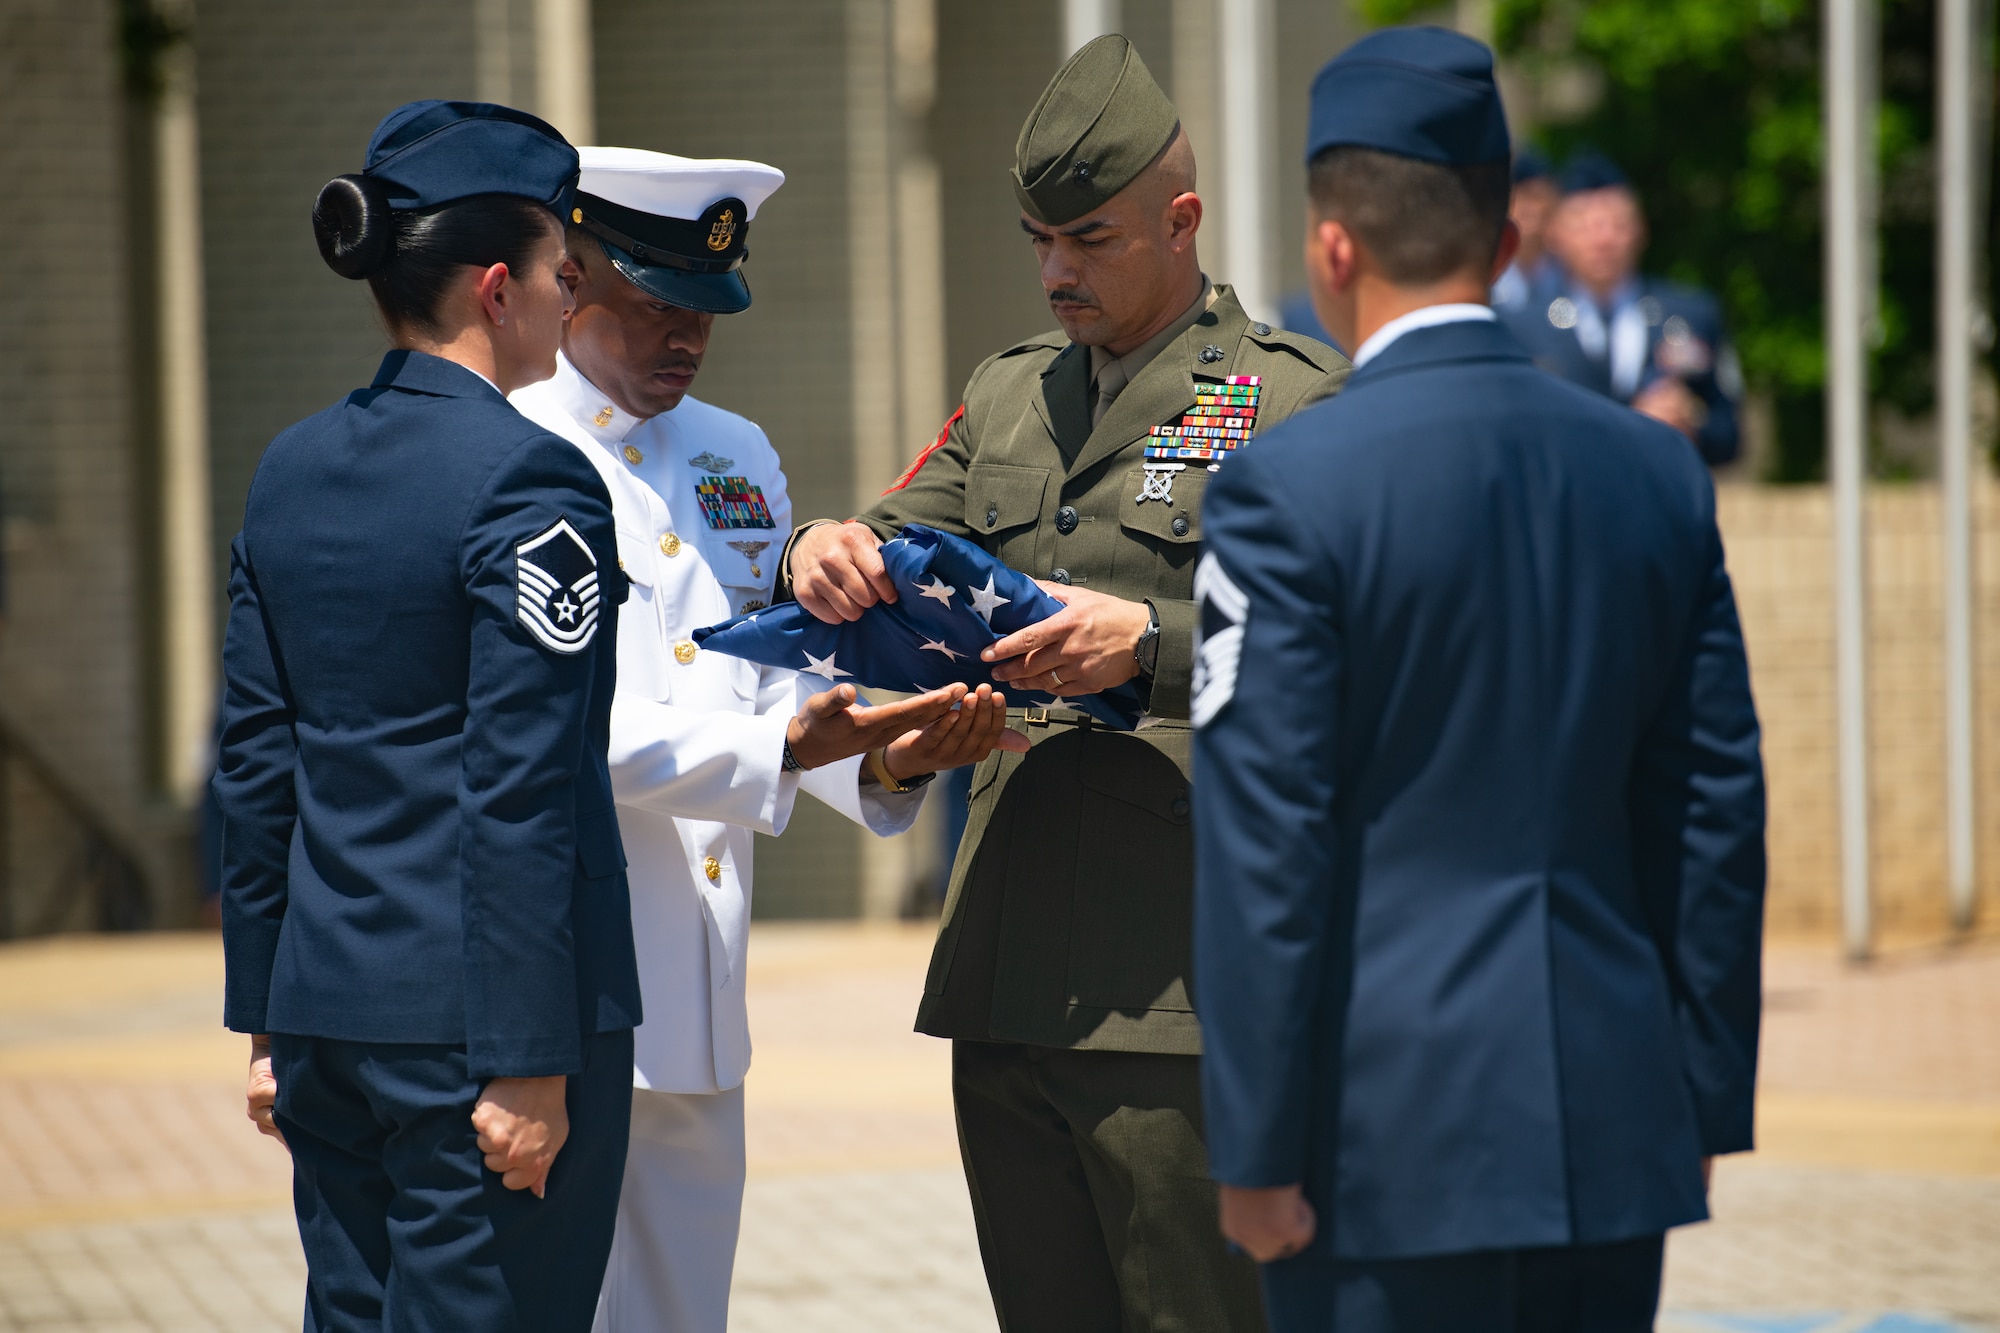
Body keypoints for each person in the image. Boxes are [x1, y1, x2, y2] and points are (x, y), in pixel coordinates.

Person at [1190, 27, 1766, 1331]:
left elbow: (1266, 839)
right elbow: (1713, 807)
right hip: (1614, 1128)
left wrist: (1255, 1147)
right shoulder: (1656, 473)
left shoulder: (1285, 486)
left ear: (1331, 249)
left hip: (1378, 1142)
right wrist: (1702, 1098)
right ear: (1510, 242)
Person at [782, 34, 1347, 1332]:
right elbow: (885, 554)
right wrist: (823, 552)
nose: (1053, 271)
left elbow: (1350, 654)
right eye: (1037, 237)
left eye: (1087, 238)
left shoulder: (1288, 404)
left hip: (1187, 989)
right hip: (1009, 975)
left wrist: (1147, 642)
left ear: (1182, 218)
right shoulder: (1009, 399)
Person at [509, 145, 1017, 1333]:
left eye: (706, 311)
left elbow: (769, 701)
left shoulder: (734, 456)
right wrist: (778, 755)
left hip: (697, 995)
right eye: (655, 303)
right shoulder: (506, 448)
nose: (685, 336)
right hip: (555, 994)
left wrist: (887, 756)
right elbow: (543, 731)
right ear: (569, 278)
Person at [215, 100, 641, 1331]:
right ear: (498, 289)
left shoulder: (290, 465)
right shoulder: (529, 473)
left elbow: (256, 762)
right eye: (567, 272)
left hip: (328, 1018)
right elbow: (520, 785)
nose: (578, 299)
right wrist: (527, 1059)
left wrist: (266, 1017)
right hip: (475, 1039)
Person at [1501, 152, 1744, 466]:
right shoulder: (1521, 326)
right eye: (1586, 226)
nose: (1603, 240)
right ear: (1555, 234)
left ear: (1641, 230)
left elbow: (1730, 433)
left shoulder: (1688, 316)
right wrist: (1631, 425)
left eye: (1618, 224)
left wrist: (1689, 422)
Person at [1490, 148, 1561, 312]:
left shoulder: (1571, 279)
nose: (1529, 208)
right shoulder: (1486, 281)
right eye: (1519, 197)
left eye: (1536, 197)